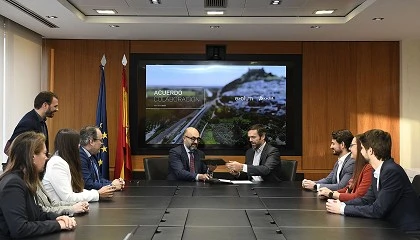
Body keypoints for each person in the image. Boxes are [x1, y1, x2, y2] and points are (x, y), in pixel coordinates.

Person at [326, 129, 420, 232]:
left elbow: (378, 210)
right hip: (389, 227)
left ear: (370, 151)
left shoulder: (392, 172)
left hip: (405, 231)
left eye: (361, 148)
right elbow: (366, 200)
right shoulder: (377, 171)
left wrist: (342, 209)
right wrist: (341, 204)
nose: (360, 152)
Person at [0, 132, 76, 239]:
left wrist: (60, 218)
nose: (46, 158)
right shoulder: (13, 184)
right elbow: (20, 229)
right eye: (44, 154)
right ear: (32, 157)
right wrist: (58, 225)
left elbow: (37, 214)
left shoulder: (24, 179)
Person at [42, 129, 115, 203]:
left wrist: (97, 193)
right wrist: (97, 194)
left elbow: (76, 190)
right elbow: (68, 198)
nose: (79, 146)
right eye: (77, 143)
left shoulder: (63, 161)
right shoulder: (57, 164)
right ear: (70, 146)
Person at [3, 91, 59, 169]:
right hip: (23, 172)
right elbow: (11, 148)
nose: (57, 109)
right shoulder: (28, 122)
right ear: (45, 105)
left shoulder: (41, 121)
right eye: (55, 106)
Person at [318, 135, 373, 201]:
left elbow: (358, 196)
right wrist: (331, 193)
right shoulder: (359, 166)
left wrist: (332, 194)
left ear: (360, 147)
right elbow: (348, 188)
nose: (349, 149)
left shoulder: (369, 168)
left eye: (352, 145)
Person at [79, 126, 124, 190]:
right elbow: (88, 184)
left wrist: (115, 183)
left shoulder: (92, 155)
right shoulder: (80, 156)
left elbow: (99, 179)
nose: (102, 143)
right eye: (100, 140)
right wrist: (112, 185)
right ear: (91, 141)